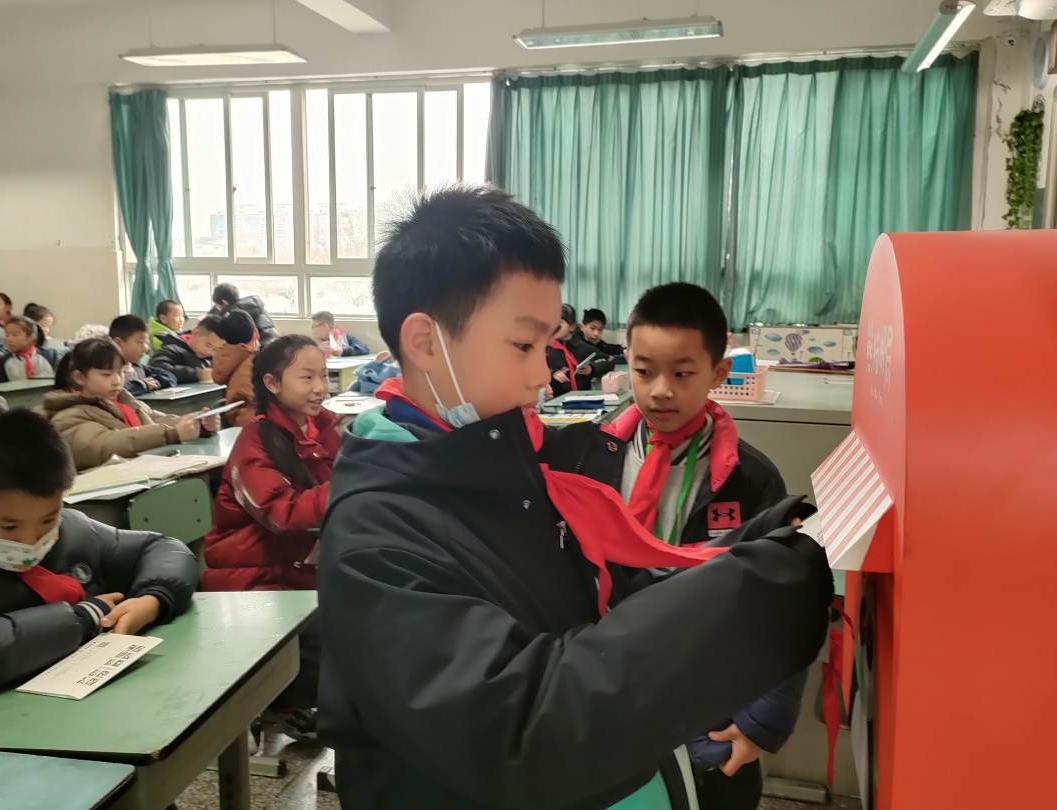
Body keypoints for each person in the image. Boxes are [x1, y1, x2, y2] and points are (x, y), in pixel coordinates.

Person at [315, 185, 832, 810]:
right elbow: (524, 727)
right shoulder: (376, 536)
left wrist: (753, 545)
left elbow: (606, 597)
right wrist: (757, 588)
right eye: (523, 345)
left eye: (545, 345)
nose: (543, 375)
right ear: (426, 343)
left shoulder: (506, 469)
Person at [552, 282, 806, 809]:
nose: (660, 390)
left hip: (710, 704)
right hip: (608, 690)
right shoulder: (588, 458)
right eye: (645, 371)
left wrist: (759, 722)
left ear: (718, 373)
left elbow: (781, 604)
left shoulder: (750, 480)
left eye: (683, 373)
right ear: (627, 362)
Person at [0, 409, 198, 698]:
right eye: (9, 526)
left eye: (48, 519)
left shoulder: (73, 532)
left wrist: (154, 597)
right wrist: (83, 619)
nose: (31, 541)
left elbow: (163, 548)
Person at [203, 334, 338, 738]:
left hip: (297, 562)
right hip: (254, 572)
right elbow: (283, 514)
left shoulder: (323, 427)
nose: (320, 387)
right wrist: (351, 483)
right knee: (329, 621)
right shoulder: (255, 444)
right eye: (307, 377)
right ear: (272, 384)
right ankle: (279, 702)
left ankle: (299, 699)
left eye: (324, 375)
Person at [42, 338, 219, 470]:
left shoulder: (124, 402)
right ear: (80, 377)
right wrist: (171, 434)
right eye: (106, 375)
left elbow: (157, 419)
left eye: (120, 373)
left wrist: (197, 423)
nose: (117, 381)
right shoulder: (68, 414)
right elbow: (103, 445)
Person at [545, 303, 613, 398]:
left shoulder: (582, 346)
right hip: (555, 399)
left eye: (560, 323)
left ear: (572, 326)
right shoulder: (545, 347)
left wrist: (592, 368)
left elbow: (609, 360)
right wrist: (552, 373)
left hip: (583, 398)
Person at [108, 314, 177, 398]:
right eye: (140, 342)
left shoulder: (137, 367)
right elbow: (106, 390)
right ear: (118, 343)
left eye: (146, 344)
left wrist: (155, 383)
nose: (145, 349)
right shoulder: (104, 369)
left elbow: (170, 376)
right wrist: (142, 385)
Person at [212, 310, 259, 429]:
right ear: (256, 334)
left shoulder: (223, 360)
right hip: (257, 424)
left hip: (239, 422)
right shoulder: (257, 362)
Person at [150, 315, 223, 384]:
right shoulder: (172, 348)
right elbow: (156, 367)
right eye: (208, 345)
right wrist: (198, 374)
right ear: (195, 333)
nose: (209, 352)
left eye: (215, 349)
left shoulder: (210, 357)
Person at [0, 316, 60, 381]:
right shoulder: (2, 362)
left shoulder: (50, 355)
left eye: (15, 335)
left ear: (31, 337)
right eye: (7, 335)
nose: (9, 339)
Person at [211, 283, 279, 346]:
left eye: (217, 306)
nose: (218, 309)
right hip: (277, 342)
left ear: (223, 302)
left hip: (263, 348)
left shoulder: (234, 317)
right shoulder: (255, 306)